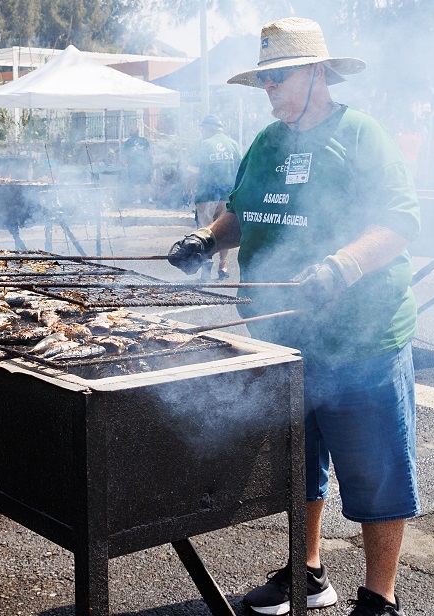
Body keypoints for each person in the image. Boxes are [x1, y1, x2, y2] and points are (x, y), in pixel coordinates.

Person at [168, 17, 418, 616]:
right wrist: (207, 238)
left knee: (376, 475)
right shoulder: (264, 144)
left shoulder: (361, 135)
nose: (269, 89)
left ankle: (379, 598)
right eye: (263, 80)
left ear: (315, 73)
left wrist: (342, 266)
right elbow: (243, 212)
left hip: (362, 338)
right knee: (296, 467)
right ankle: (307, 572)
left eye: (277, 77)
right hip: (281, 340)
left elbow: (402, 222)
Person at [190, 114, 241, 281]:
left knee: (205, 232)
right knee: (223, 232)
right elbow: (240, 170)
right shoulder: (233, 144)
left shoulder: (203, 145)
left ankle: (206, 270)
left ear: (210, 127)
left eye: (203, 128)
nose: (202, 131)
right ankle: (223, 266)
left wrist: (190, 188)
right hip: (228, 196)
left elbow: (194, 170)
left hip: (207, 195)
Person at [121, 127, 153, 203]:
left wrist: (124, 163)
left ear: (131, 133)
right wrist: (151, 162)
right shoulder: (144, 140)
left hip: (134, 166)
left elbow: (125, 156)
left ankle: (138, 199)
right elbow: (149, 153)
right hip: (145, 165)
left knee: (136, 183)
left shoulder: (128, 142)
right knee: (147, 182)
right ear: (138, 132)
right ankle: (150, 199)